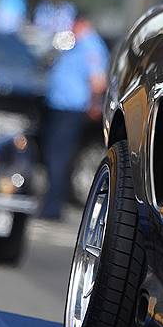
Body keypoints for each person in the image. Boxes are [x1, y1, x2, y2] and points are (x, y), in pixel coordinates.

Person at [39, 14, 109, 220]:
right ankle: (51, 204)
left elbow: (98, 82)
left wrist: (95, 104)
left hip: (71, 109)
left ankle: (53, 207)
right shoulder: (74, 44)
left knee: (59, 157)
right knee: (55, 156)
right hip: (60, 106)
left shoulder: (91, 46)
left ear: (81, 23)